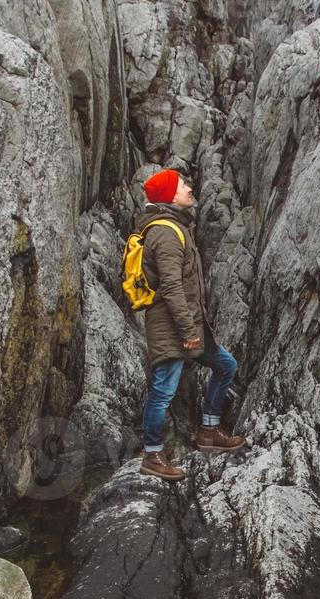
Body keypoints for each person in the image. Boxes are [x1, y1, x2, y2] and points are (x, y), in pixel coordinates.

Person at [135, 167, 247, 481]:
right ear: (169, 194)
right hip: (174, 328)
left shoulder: (174, 226)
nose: (188, 186)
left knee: (226, 366)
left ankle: (209, 430)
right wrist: (187, 333)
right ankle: (153, 453)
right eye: (182, 184)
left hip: (191, 326)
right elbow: (171, 287)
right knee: (163, 391)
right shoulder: (166, 232)